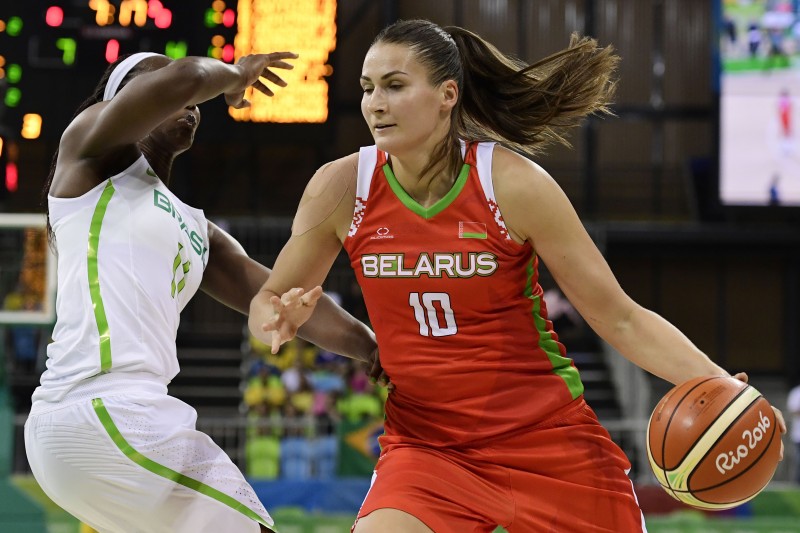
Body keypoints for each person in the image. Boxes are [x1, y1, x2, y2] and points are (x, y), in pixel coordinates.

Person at [248, 19, 787, 533]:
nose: (375, 104)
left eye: (394, 85)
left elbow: (619, 318)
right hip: (427, 449)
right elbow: (266, 300)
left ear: (447, 95)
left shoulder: (512, 184)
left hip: (546, 441)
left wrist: (722, 384)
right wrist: (276, 318)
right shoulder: (343, 187)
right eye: (368, 88)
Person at [24, 52, 383, 533]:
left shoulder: (196, 229)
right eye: (156, 77)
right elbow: (189, 77)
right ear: (123, 99)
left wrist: (371, 347)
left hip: (121, 418)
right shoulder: (90, 149)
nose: (191, 103)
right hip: (99, 407)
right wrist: (237, 75)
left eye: (194, 100)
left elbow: (277, 294)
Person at [789, 380, 800, 484]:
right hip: (798, 434)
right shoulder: (796, 392)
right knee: (798, 460)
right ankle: (797, 483)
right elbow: (793, 410)